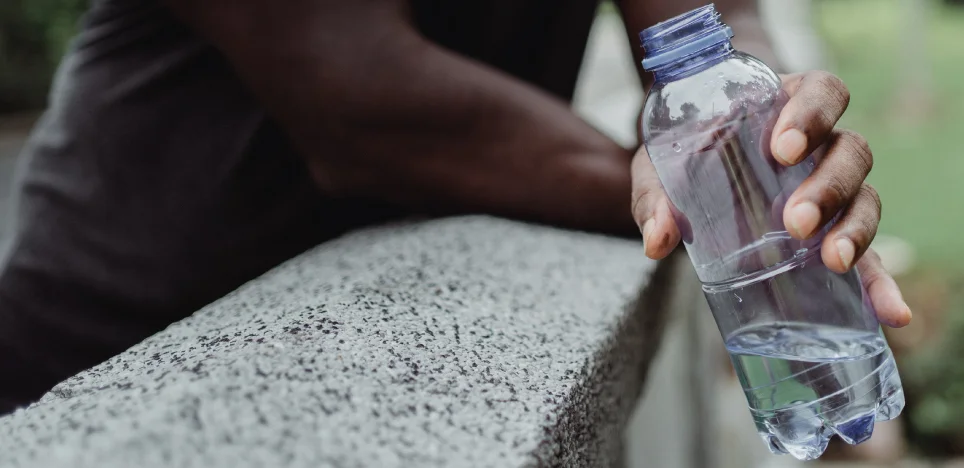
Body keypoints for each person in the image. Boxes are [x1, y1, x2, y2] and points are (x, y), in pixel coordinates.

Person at [0, 0, 912, 415]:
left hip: (388, 339)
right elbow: (363, 103)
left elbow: (707, 25)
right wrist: (710, 203)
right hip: (120, 359)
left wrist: (766, 125)